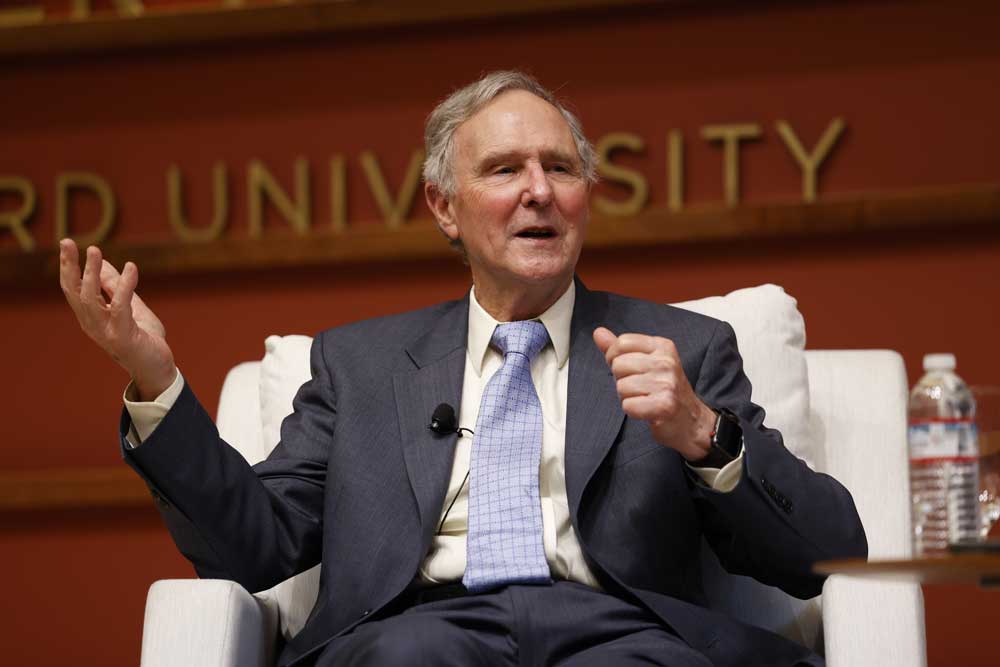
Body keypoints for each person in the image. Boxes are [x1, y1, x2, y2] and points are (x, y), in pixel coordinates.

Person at [59, 71, 866, 666]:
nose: (539, 192)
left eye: (561, 168)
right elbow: (255, 545)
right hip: (418, 632)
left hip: (621, 633)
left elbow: (829, 551)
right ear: (444, 206)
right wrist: (154, 377)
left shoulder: (684, 347)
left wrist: (705, 436)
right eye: (505, 169)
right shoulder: (360, 364)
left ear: (588, 194)